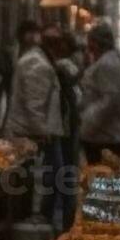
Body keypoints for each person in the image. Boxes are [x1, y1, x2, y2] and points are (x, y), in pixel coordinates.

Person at [4, 24, 66, 228]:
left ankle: (38, 217)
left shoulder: (41, 61)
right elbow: (34, 105)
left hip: (36, 132)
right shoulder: (38, 65)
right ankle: (38, 219)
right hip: (32, 133)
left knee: (45, 177)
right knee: (46, 177)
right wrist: (42, 132)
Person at [78, 24, 120, 163]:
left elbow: (110, 101)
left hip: (105, 136)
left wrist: (87, 121)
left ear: (96, 42)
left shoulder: (108, 64)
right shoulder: (106, 61)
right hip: (102, 134)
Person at [46, 28, 83, 228]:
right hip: (64, 128)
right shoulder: (62, 67)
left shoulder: (62, 66)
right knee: (63, 174)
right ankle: (63, 219)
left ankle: (63, 219)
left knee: (63, 174)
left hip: (66, 128)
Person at [0, 21, 39, 120]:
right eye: (30, 33)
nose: (33, 37)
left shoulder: (36, 52)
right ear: (22, 34)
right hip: (9, 90)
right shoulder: (9, 51)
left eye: (35, 33)